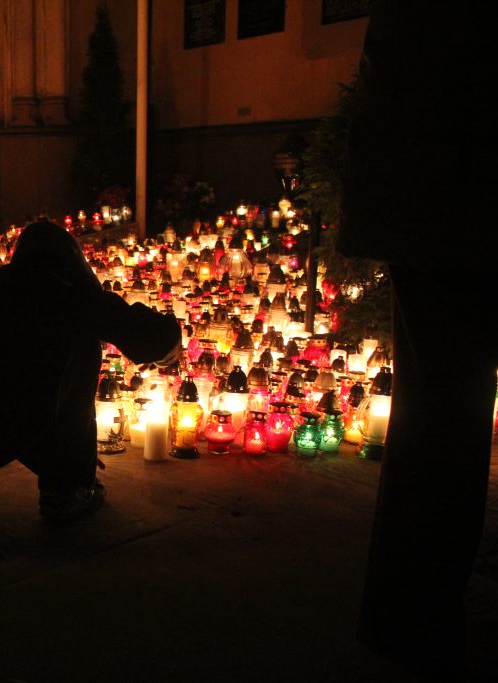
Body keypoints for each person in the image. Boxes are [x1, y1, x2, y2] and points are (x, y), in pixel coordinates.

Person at [339, 1, 494, 676]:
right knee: (440, 415)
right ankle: (415, 618)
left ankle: (410, 618)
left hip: (429, 192)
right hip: (455, 188)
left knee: (437, 414)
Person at [0, 220, 180, 523]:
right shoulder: (68, 296)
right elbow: (154, 340)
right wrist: (172, 349)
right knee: (81, 348)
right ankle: (67, 489)